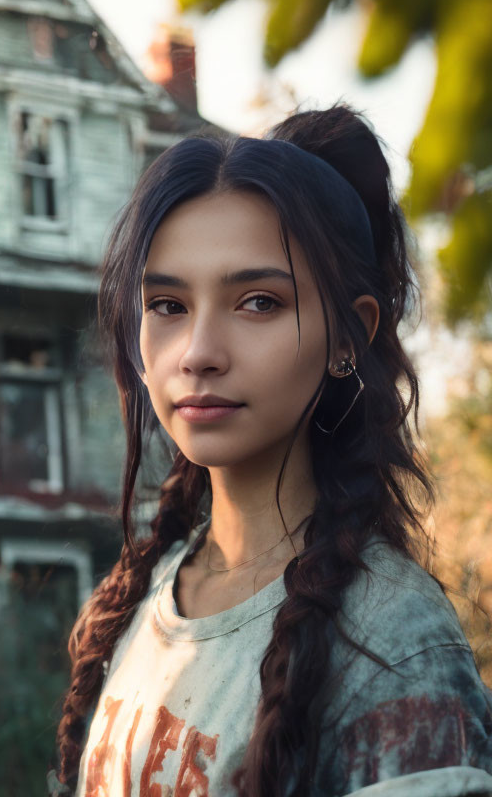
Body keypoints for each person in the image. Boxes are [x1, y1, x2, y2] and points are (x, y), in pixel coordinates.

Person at [49, 104, 492, 797]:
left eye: (257, 302)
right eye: (167, 305)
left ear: (350, 336)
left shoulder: (395, 642)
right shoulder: (147, 596)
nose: (198, 353)